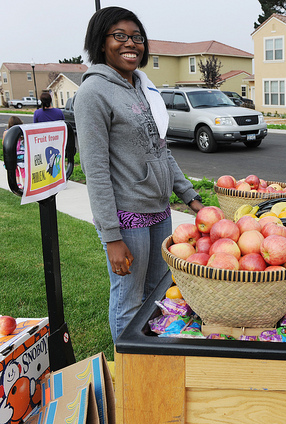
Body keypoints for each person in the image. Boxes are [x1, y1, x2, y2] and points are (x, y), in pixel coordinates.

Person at [74, 6, 204, 343]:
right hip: (127, 217)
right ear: (102, 43)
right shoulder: (93, 93)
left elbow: (160, 149)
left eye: (137, 37)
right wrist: (111, 236)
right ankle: (129, 369)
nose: (131, 43)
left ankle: (152, 359)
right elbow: (95, 169)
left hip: (159, 211)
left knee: (157, 293)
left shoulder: (140, 87)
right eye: (120, 36)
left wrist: (190, 197)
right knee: (129, 300)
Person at [2, 116, 25, 189]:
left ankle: (18, 183)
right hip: (21, 154)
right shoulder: (22, 131)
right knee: (23, 170)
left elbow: (4, 143)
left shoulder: (6, 132)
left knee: (14, 169)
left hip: (11, 153)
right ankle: (25, 183)